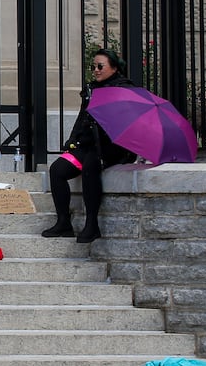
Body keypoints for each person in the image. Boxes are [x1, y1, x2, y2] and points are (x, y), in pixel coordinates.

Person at [43, 47, 137, 243]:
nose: (95, 70)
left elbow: (126, 123)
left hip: (110, 147)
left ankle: (92, 224)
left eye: (100, 66)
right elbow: (81, 118)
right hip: (86, 144)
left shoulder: (124, 89)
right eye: (93, 66)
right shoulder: (91, 89)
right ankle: (64, 222)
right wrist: (72, 140)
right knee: (57, 169)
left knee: (90, 167)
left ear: (114, 68)